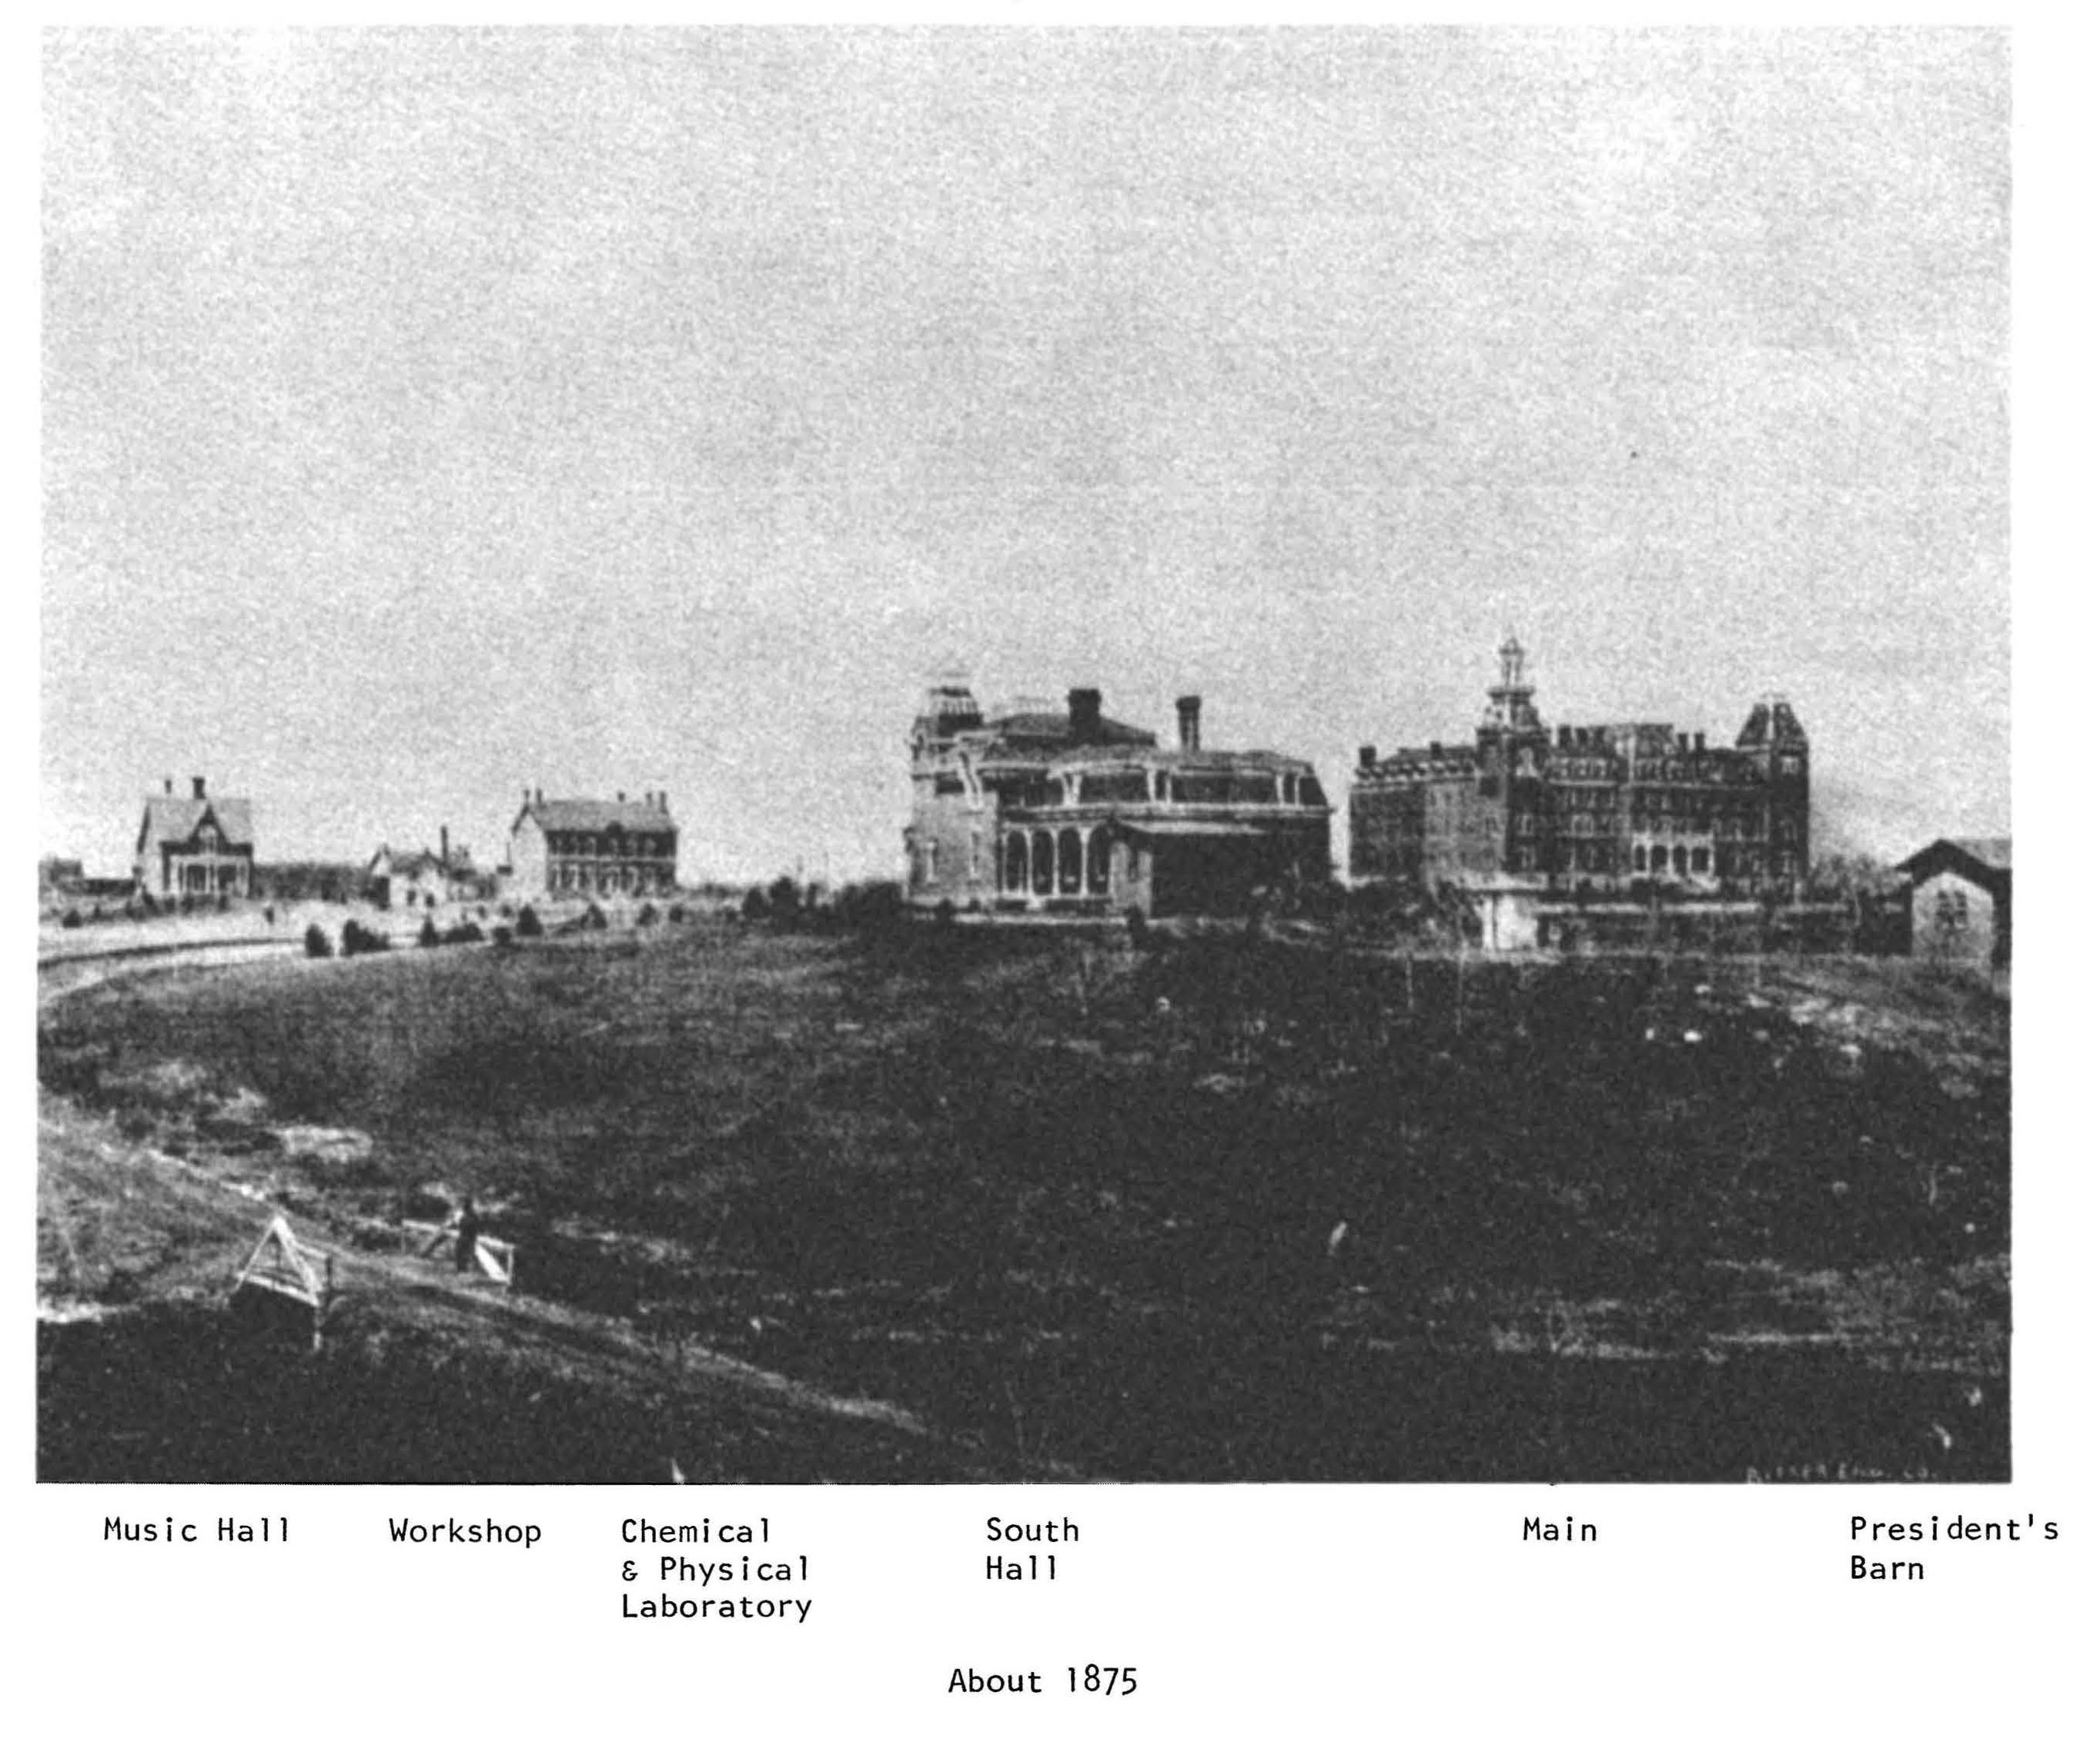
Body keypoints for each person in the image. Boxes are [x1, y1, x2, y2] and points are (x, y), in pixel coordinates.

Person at [453, 1193, 483, 1273]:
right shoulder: (465, 1214)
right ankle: (461, 1270)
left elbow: (473, 1227)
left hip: (468, 1237)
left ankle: (463, 1270)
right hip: (465, 1236)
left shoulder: (471, 1215)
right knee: (461, 1253)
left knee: (464, 1254)